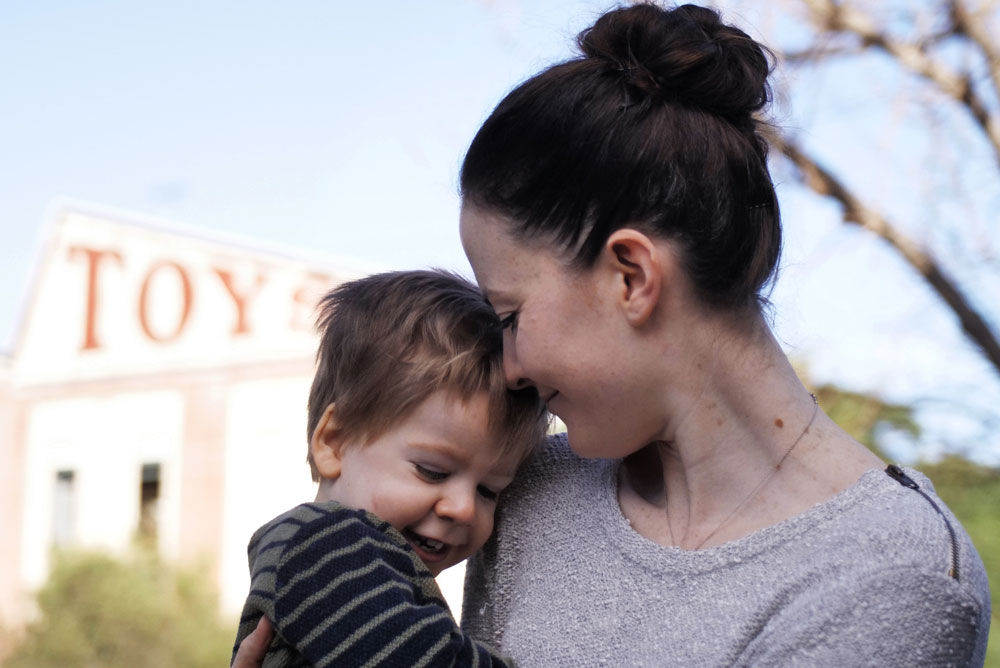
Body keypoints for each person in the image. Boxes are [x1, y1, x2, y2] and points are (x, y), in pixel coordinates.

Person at [237, 3, 991, 667]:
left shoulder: (889, 576)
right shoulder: (532, 482)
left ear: (630, 275)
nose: (512, 366)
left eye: (510, 316)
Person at [231, 270, 546, 667]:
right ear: (335, 442)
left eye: (489, 491)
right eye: (432, 471)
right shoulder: (321, 547)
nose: (463, 508)